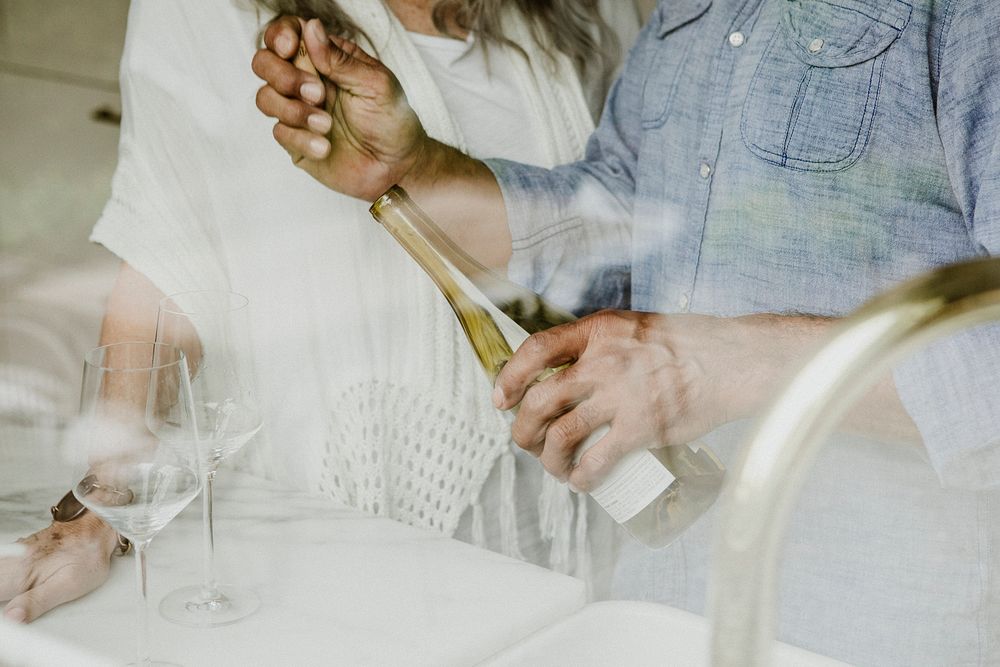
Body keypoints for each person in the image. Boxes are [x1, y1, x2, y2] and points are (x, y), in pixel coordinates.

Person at [252, 1, 1000, 665]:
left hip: (879, 629)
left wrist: (723, 364)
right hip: (661, 607)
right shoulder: (685, 16)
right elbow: (613, 229)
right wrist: (418, 167)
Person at [0, 0, 651, 625]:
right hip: (322, 556)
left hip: (556, 535)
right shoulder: (202, 12)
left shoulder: (586, 13)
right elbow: (168, 258)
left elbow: (625, 243)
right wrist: (100, 513)